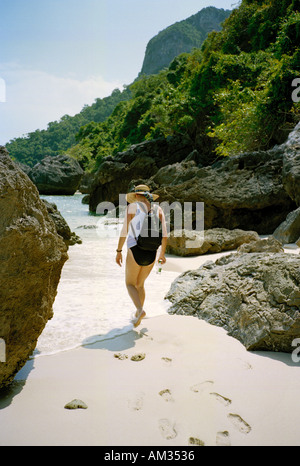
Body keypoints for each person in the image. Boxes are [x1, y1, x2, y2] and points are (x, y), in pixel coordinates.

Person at [116, 184, 168, 328]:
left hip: (135, 249)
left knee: (130, 284)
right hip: (151, 252)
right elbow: (164, 235)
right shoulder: (159, 210)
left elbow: (124, 231)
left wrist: (118, 251)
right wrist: (162, 254)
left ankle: (139, 310)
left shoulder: (132, 208)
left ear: (137, 195)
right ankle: (139, 312)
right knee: (140, 284)